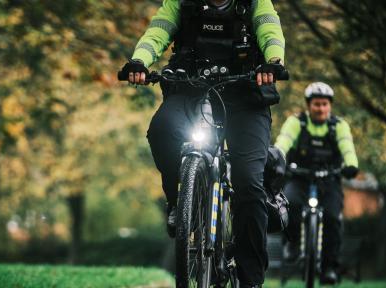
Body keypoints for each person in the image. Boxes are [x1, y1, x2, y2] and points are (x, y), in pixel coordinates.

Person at [119, 0, 286, 287]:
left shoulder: (254, 2)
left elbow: (269, 28)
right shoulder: (182, 2)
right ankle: (179, 202)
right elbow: (159, 30)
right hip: (190, 85)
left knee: (248, 183)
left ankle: (251, 279)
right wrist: (140, 61)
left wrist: (273, 62)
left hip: (246, 91)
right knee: (161, 130)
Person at [274, 82, 359, 284]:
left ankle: (329, 267)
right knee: (290, 204)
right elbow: (283, 142)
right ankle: (293, 245)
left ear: (330, 106)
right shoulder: (297, 123)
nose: (320, 108)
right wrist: (276, 159)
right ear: (308, 105)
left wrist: (351, 165)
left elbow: (347, 148)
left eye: (324, 104)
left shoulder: (339, 126)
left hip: (330, 180)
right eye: (316, 104)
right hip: (299, 177)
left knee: (332, 216)